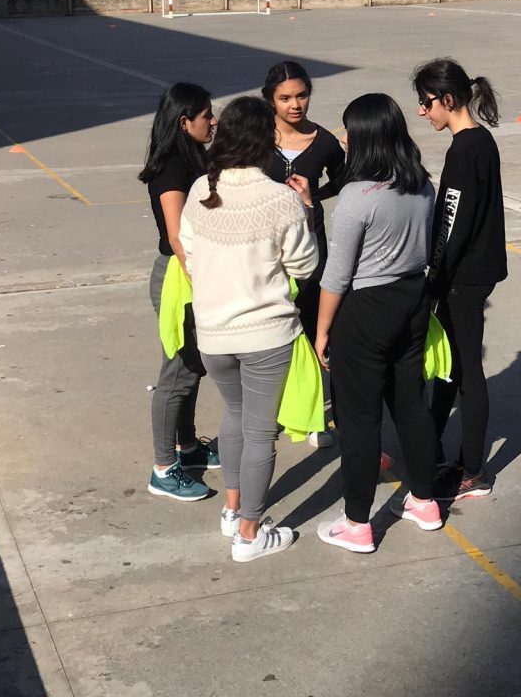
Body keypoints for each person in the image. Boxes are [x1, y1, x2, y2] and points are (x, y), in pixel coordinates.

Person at [180, 96, 318, 562]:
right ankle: (250, 533)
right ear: (267, 141)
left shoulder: (200, 189)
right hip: (265, 334)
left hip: (213, 332)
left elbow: (190, 254)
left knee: (234, 415)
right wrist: (306, 209)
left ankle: (232, 508)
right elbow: (304, 266)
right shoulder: (280, 198)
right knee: (261, 433)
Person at [314, 94, 441, 554]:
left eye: (349, 130)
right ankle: (424, 501)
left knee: (360, 419)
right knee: (410, 403)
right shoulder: (421, 184)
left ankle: (357, 522)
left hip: (366, 309)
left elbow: (337, 275)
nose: (343, 138)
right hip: (412, 299)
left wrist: (322, 330)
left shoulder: (357, 196)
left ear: (366, 137)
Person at [413, 57, 507, 501]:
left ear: (447, 100)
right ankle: (442, 451)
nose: (422, 111)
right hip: (475, 271)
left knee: (466, 372)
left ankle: (473, 471)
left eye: (426, 102)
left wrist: (433, 278)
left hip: (462, 277)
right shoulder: (481, 141)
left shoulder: (464, 150)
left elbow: (450, 224)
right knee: (452, 367)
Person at [139, 84, 219, 503]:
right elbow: (176, 237)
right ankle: (163, 468)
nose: (213, 121)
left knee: (192, 367)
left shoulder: (194, 157)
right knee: (178, 372)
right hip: (178, 276)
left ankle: (188, 448)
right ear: (184, 122)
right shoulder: (171, 167)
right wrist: (201, 282)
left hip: (190, 274)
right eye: (207, 115)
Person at [262, 60, 345, 447]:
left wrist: (314, 197)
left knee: (313, 324)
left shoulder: (324, 141)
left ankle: (314, 413)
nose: (295, 105)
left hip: (311, 243)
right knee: (272, 324)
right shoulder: (257, 137)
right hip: (265, 249)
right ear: (271, 99)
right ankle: (272, 406)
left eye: (301, 96)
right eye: (285, 98)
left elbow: (343, 178)